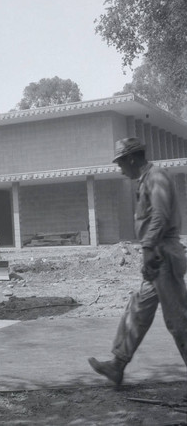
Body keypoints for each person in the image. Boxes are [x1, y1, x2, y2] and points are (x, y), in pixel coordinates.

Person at [88, 137, 187, 385]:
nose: (120, 169)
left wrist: (147, 248)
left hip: (162, 255)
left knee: (178, 321)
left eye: (121, 163)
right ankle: (118, 365)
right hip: (157, 257)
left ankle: (118, 364)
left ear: (132, 159)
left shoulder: (156, 177)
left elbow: (160, 217)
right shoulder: (147, 180)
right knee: (138, 308)